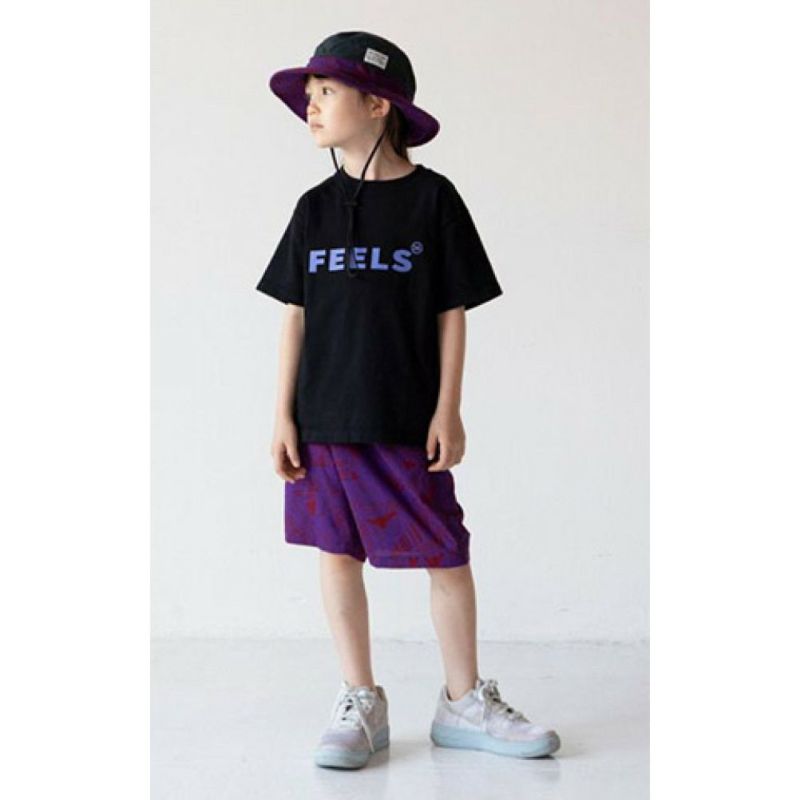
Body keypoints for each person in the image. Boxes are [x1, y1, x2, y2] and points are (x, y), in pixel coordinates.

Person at [256, 31, 561, 769]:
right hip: (324, 418)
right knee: (336, 553)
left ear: (378, 105)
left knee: (445, 553)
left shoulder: (433, 199)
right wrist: (283, 414)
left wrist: (448, 407)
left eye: (327, 92)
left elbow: (452, 310)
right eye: (309, 94)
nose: (310, 106)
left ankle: (463, 701)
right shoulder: (312, 208)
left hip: (403, 416)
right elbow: (295, 314)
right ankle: (360, 699)